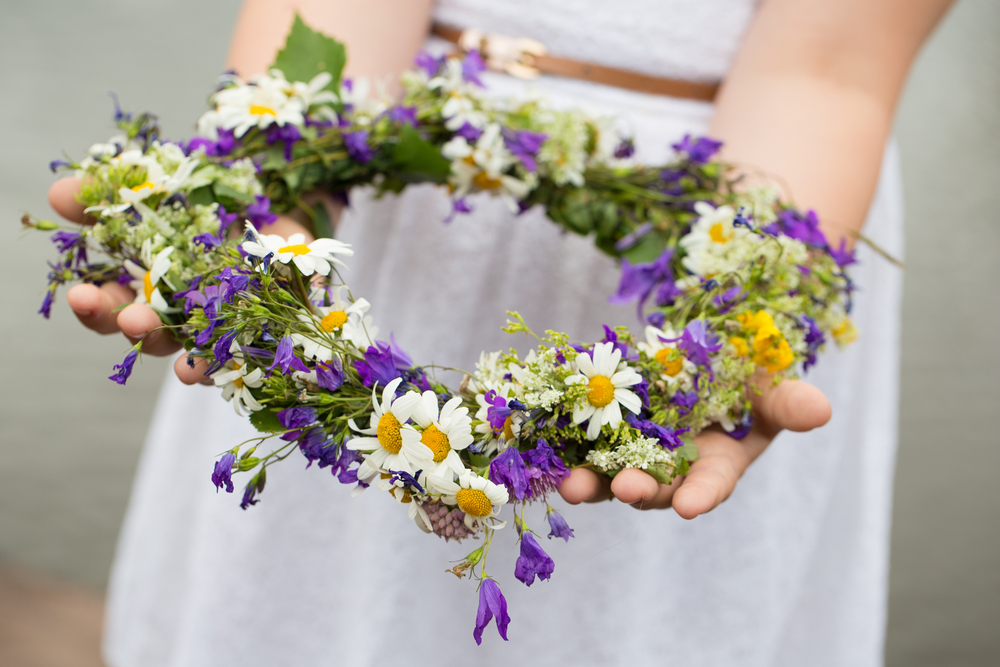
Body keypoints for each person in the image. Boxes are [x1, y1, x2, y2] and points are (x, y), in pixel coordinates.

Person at [46, 0, 954, 664]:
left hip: (729, 184)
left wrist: (735, 325)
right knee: (303, 594)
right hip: (384, 156)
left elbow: (825, 66)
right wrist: (271, 197)